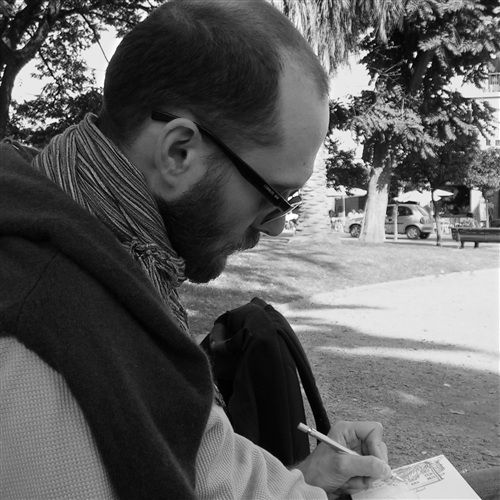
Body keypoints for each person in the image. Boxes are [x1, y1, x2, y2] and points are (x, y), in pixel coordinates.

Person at [0, 1, 498, 499]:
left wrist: (304, 478)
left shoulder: (85, 237)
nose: (277, 226)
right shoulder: (53, 326)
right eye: (272, 194)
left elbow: (191, 467)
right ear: (178, 152)